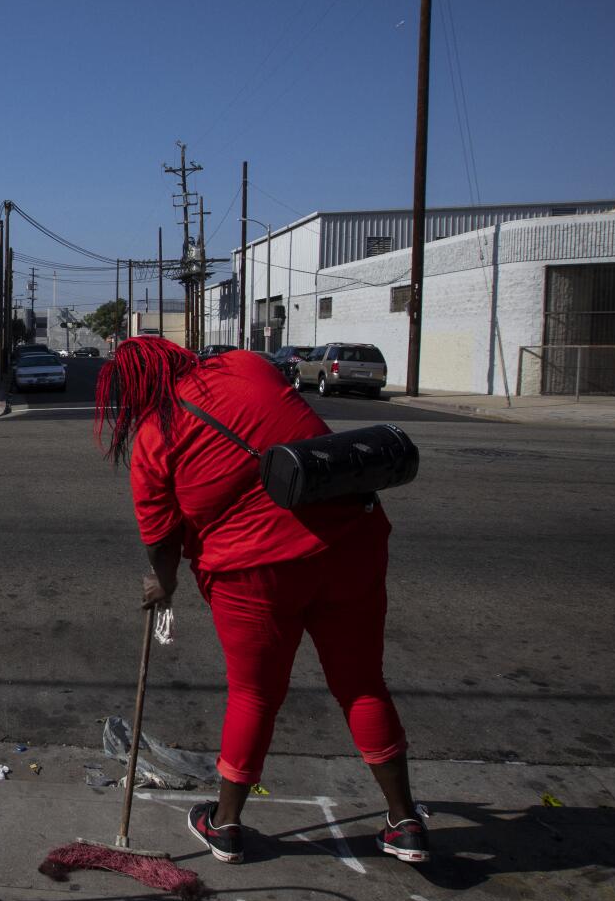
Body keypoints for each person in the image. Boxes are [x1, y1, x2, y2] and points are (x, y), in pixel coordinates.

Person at [93, 336, 428, 864]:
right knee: (362, 682)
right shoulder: (246, 365)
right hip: (349, 542)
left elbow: (161, 538)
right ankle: (405, 822)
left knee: (254, 695)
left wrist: (164, 584)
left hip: (252, 571)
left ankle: (225, 825)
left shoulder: (156, 436)